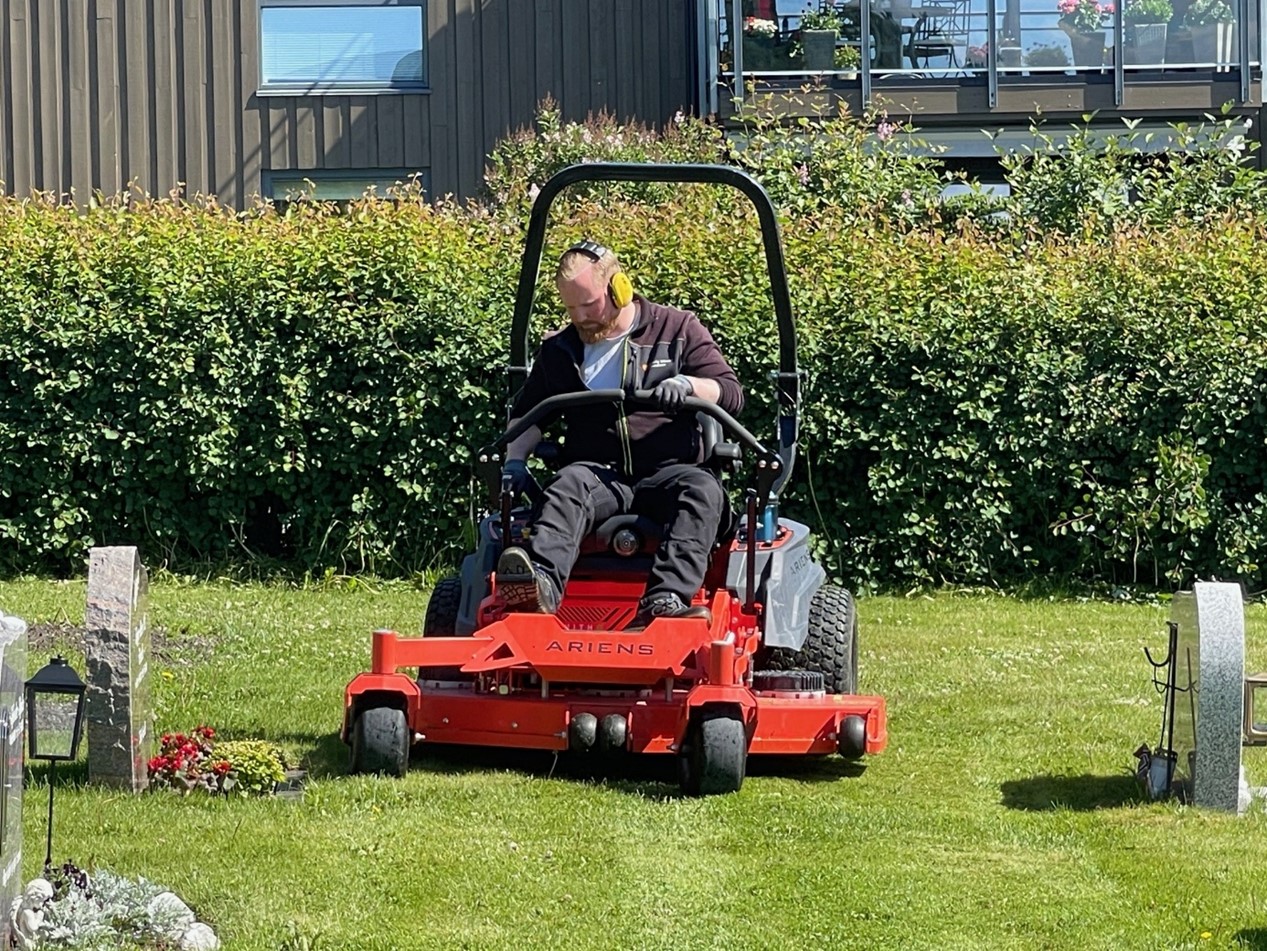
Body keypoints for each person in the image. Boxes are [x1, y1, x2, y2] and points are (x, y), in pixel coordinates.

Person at [495, 239, 744, 629]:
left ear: (618, 288)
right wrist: (514, 461)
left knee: (702, 491)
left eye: (588, 304)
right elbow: (527, 418)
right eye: (570, 308)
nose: (580, 317)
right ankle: (538, 589)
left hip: (671, 472)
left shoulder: (677, 329)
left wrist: (689, 386)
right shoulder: (561, 351)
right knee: (566, 485)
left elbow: (729, 392)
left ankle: (664, 601)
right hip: (598, 477)